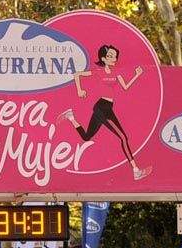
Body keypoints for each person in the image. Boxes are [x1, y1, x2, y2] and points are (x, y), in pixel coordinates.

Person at [63, 44, 152, 181]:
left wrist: (136, 75)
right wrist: (79, 90)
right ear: (103, 58)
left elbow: (126, 87)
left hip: (107, 107)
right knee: (123, 137)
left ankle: (71, 117)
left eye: (114, 56)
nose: (113, 58)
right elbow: (77, 75)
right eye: (110, 56)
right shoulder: (98, 71)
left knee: (87, 137)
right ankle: (135, 170)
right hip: (102, 107)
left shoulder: (117, 72)